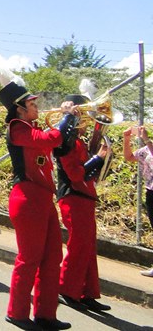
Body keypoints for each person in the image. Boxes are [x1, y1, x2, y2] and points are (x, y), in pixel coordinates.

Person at [0, 78, 77, 331]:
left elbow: (60, 145)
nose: (36, 107)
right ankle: (17, 312)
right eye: (32, 103)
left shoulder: (32, 125)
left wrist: (71, 124)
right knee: (29, 258)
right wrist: (65, 118)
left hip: (43, 198)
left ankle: (45, 314)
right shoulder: (17, 127)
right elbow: (49, 139)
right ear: (20, 108)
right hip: (27, 197)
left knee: (52, 258)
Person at [53, 94, 112, 312]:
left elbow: (91, 176)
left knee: (87, 247)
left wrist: (99, 155)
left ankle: (86, 292)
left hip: (84, 197)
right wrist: (97, 157)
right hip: (73, 196)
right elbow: (76, 174)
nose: (88, 121)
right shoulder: (67, 142)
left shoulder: (78, 141)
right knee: (79, 246)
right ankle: (67, 289)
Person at [122, 125, 153, 277]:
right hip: (151, 192)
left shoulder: (149, 147)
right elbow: (129, 157)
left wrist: (146, 139)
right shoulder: (147, 149)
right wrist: (126, 139)